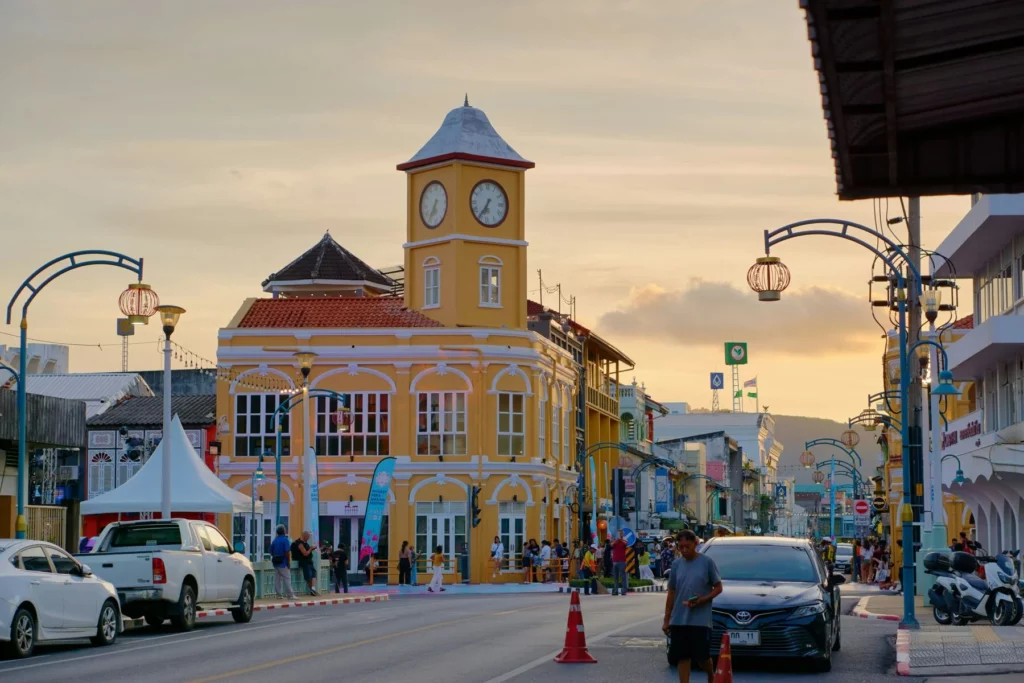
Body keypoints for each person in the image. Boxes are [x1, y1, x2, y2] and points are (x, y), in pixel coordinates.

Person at [664, 530, 723, 683]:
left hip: (700, 620)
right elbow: (671, 592)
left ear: (695, 544)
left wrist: (704, 599)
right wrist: (667, 619)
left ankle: (710, 674)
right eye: (681, 546)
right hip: (679, 619)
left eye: (687, 546)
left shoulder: (707, 562)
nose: (684, 550)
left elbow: (718, 587)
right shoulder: (676, 564)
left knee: (702, 657)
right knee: (682, 657)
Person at [270, 525, 296, 599]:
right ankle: (290, 595)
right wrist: (288, 562)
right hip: (283, 562)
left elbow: (270, 550)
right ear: (284, 532)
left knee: (277, 579)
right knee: (287, 578)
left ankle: (278, 595)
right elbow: (287, 552)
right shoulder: (285, 540)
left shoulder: (275, 540)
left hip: (275, 562)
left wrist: (275, 555)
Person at [291, 530, 318, 596]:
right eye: (308, 537)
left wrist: (312, 548)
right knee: (308, 577)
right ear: (305, 536)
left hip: (309, 561)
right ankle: (312, 590)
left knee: (314, 574)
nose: (308, 538)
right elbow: (305, 553)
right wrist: (311, 548)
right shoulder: (299, 544)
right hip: (304, 562)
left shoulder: (306, 543)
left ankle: (313, 589)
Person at [611, 530, 629, 596]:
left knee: (623, 577)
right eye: (619, 533)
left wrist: (620, 539)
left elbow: (626, 544)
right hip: (615, 561)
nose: (620, 534)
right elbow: (611, 544)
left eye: (621, 533)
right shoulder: (615, 541)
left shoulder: (624, 540)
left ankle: (623, 591)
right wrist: (616, 540)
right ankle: (615, 591)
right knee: (615, 577)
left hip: (622, 561)